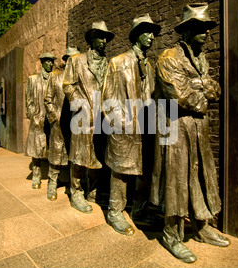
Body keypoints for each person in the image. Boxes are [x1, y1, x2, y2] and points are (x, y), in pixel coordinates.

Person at [151, 3, 229, 263]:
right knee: (176, 180)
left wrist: (201, 87)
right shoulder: (168, 57)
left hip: (198, 127)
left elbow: (216, 90)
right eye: (199, 28)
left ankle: (202, 227)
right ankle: (171, 233)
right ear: (185, 32)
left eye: (206, 28)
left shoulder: (202, 59)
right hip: (175, 127)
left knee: (200, 175)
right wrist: (202, 90)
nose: (205, 33)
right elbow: (179, 95)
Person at [102, 14, 160, 236]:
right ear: (136, 35)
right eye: (147, 32)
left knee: (144, 170)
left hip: (145, 127)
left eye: (153, 32)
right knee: (121, 172)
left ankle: (140, 209)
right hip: (124, 128)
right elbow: (108, 98)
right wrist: (122, 124)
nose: (151, 37)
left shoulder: (149, 65)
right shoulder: (118, 62)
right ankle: (115, 211)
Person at [63, 21, 114, 213]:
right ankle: (75, 191)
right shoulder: (76, 60)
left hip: (103, 117)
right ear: (91, 38)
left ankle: (92, 191)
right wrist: (81, 105)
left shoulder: (109, 64)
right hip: (83, 116)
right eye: (99, 37)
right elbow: (68, 85)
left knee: (97, 157)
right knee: (79, 156)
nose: (103, 41)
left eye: (105, 38)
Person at [43, 50, 74, 201]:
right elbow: (48, 99)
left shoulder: (78, 78)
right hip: (58, 122)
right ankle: (52, 183)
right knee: (56, 154)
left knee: (73, 154)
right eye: (69, 59)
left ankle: (73, 184)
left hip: (75, 124)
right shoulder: (54, 77)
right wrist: (55, 117)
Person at [25, 52, 57, 190]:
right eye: (48, 61)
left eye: (52, 61)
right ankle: (36, 175)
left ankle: (53, 178)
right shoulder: (33, 79)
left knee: (54, 149)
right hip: (38, 119)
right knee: (36, 149)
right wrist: (34, 116)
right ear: (42, 62)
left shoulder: (55, 78)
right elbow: (29, 101)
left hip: (52, 120)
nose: (50, 63)